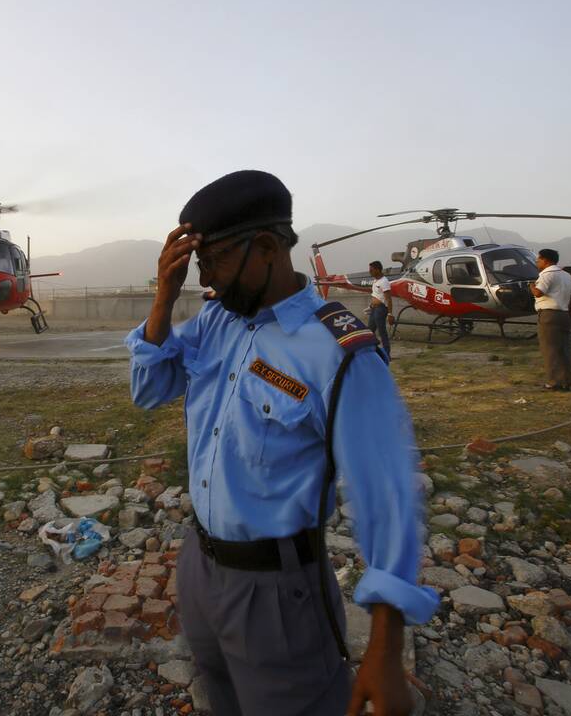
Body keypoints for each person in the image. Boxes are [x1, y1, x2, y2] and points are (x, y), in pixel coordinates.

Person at [126, 171, 437, 716]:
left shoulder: (339, 352)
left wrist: (385, 649)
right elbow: (150, 389)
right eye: (200, 268)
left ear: (266, 248)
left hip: (277, 593)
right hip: (200, 565)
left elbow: (387, 497)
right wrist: (162, 300)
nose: (210, 284)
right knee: (221, 696)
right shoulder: (219, 319)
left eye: (215, 263)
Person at [530, 249, 571, 390]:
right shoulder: (567, 276)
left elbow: (538, 293)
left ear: (546, 260)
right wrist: (570, 315)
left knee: (550, 349)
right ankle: (567, 381)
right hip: (564, 314)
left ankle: (554, 382)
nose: (537, 262)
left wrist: (531, 285)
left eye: (538, 260)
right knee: (564, 349)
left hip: (549, 315)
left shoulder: (546, 275)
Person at [362, 260, 393, 358]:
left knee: (382, 331)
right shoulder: (375, 281)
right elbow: (376, 295)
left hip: (381, 309)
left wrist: (390, 314)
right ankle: (372, 351)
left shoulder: (384, 281)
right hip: (374, 309)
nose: (370, 272)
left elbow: (388, 299)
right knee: (370, 331)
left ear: (378, 270)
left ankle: (387, 354)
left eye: (371, 270)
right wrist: (371, 306)